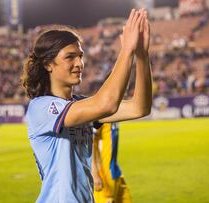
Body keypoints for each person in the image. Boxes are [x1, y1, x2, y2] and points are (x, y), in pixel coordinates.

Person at [22, 8, 152, 202]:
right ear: (48, 64)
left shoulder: (81, 105)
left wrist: (141, 55)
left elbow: (139, 107)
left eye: (80, 56)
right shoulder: (41, 107)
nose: (79, 63)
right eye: (70, 57)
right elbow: (106, 104)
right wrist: (126, 51)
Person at [92, 122, 132, 203]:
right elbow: (90, 143)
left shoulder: (113, 114)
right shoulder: (100, 114)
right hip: (104, 177)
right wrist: (94, 174)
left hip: (115, 172)